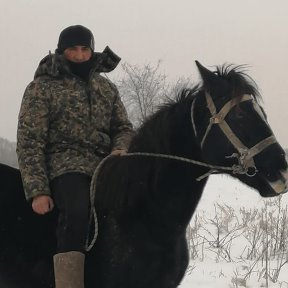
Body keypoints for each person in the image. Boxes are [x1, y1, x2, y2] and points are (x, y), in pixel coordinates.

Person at [16, 25, 134, 288]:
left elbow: (123, 127)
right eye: (73, 50)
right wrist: (38, 190)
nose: (80, 55)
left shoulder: (106, 89)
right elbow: (29, 141)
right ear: (62, 52)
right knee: (78, 212)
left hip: (107, 165)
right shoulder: (42, 88)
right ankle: (69, 283)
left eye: (85, 49)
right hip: (64, 164)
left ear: (92, 52)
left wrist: (121, 147)